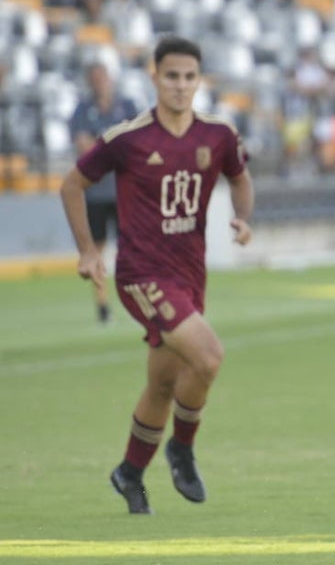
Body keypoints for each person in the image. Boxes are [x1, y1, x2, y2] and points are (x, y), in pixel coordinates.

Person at [59, 35, 255, 515]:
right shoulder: (127, 139)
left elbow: (240, 176)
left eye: (190, 77)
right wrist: (87, 251)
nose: (181, 86)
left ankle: (129, 471)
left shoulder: (219, 136)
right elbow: (72, 184)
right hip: (141, 273)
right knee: (208, 357)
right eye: (172, 76)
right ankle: (182, 450)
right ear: (154, 77)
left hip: (190, 273)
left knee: (164, 384)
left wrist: (244, 219)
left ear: (199, 80)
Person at [68, 61, 140, 323]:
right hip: (97, 190)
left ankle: (133, 300)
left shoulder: (127, 106)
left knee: (130, 249)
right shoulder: (83, 110)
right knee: (96, 249)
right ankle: (102, 304)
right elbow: (83, 146)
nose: (100, 82)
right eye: (95, 77)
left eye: (103, 77)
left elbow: (135, 145)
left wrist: (102, 146)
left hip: (123, 190)